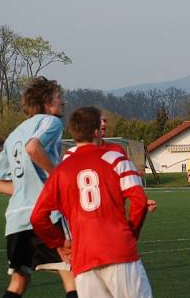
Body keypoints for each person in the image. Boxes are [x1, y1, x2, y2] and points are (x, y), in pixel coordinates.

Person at [30, 107, 153, 298]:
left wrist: (59, 243)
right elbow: (140, 201)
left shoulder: (61, 170)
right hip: (119, 250)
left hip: (83, 257)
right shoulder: (116, 158)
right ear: (97, 131)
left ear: (74, 132)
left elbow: (38, 217)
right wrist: (132, 233)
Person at [0, 77, 78, 298]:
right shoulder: (50, 122)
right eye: (59, 97)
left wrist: (23, 189)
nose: (63, 102)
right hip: (46, 216)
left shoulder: (12, 136)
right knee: (73, 271)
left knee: (19, 281)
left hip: (16, 219)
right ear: (47, 101)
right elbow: (33, 147)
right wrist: (58, 178)